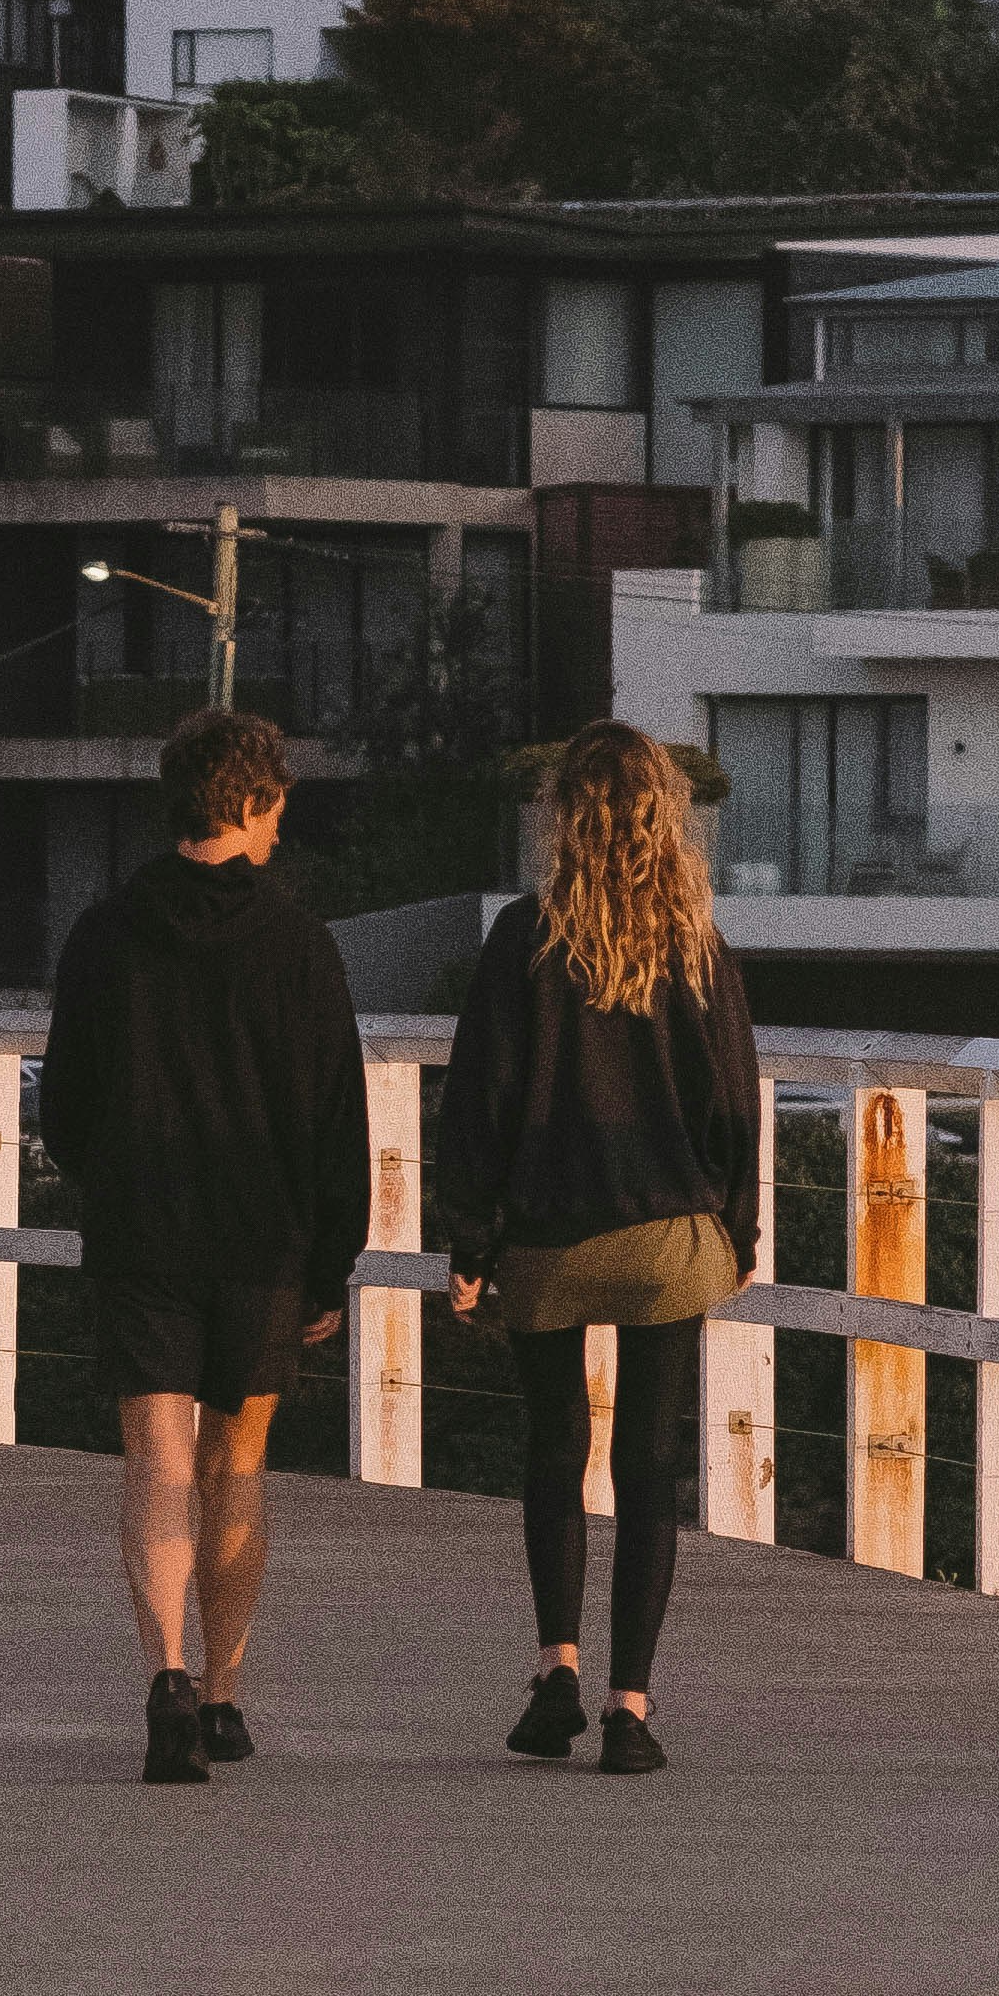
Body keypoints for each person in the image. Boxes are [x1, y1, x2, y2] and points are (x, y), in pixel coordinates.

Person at [39, 702, 370, 1785]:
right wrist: (333, 1260)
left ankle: (166, 1678)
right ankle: (223, 1698)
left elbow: (66, 1109)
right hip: (261, 1239)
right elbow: (335, 1118)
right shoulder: (299, 945)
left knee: (154, 1459)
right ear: (257, 800)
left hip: (142, 1229)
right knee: (236, 1464)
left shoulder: (103, 935)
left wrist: (114, 1182)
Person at [434, 718, 761, 1781]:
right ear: (662, 818)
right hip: (666, 1235)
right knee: (648, 1464)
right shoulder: (695, 945)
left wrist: (469, 1240)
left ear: (564, 821)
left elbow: (476, 1101)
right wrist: (739, 1228)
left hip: (545, 1236)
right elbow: (731, 1102)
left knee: (553, 1447)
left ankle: (555, 1672)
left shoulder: (522, 937)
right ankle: (630, 1709)